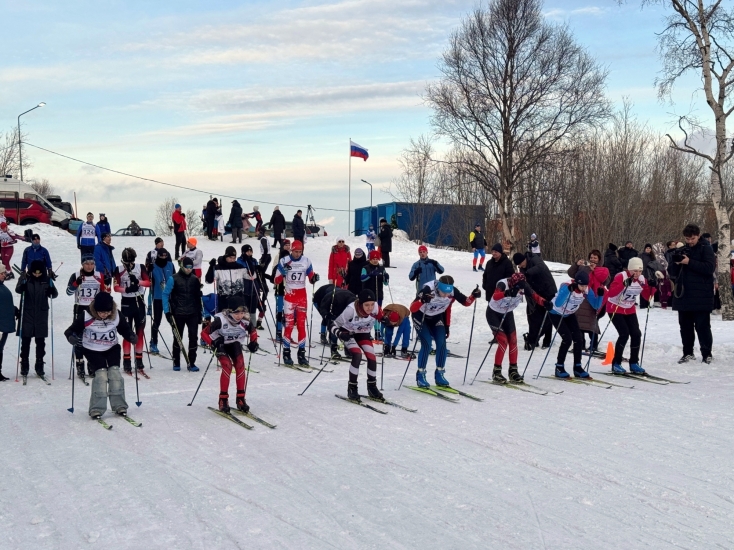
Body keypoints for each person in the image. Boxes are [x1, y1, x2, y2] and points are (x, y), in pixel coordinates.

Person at [64, 291, 137, 420]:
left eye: (107, 312)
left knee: (115, 373)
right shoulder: (86, 315)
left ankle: (119, 405)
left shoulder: (116, 315)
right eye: (101, 312)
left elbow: (124, 329)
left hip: (112, 348)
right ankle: (96, 408)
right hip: (92, 349)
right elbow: (70, 330)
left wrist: (131, 336)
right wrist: (71, 337)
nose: (104, 315)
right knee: (102, 375)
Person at [411, 275, 479, 387]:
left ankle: (439, 374)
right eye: (443, 293)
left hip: (436, 317)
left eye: (448, 293)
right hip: (420, 316)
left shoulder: (452, 291)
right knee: (427, 344)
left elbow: (466, 302)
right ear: (438, 288)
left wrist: (473, 295)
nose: (446, 296)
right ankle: (421, 375)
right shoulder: (428, 289)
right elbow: (412, 308)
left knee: (442, 344)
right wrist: (422, 300)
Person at [667, 224, 716, 364]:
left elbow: (709, 268)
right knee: (685, 327)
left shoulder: (706, 249)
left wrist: (689, 262)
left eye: (692, 238)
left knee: (703, 326)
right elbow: (672, 272)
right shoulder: (683, 249)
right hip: (684, 295)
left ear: (698, 235)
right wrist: (675, 263)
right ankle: (687, 352)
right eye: (687, 238)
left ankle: (707, 353)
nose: (690, 241)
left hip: (701, 295)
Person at [201, 295, 259, 413]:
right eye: (237, 313)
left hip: (234, 344)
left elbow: (253, 331)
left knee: (240, 365)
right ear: (230, 311)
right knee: (227, 366)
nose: (240, 316)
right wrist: (213, 342)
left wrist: (254, 342)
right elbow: (203, 333)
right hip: (221, 345)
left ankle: (241, 399)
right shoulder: (220, 320)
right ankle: (223, 400)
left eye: (242, 313)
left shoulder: (245, 320)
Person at [329, 288, 385, 402]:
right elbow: (332, 325)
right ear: (360, 303)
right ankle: (352, 388)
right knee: (357, 355)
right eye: (366, 305)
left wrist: (387, 320)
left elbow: (383, 318)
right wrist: (340, 334)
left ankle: (372, 387)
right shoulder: (351, 310)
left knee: (372, 357)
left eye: (372, 304)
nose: (370, 308)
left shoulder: (375, 308)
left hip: (363, 334)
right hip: (348, 334)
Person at [606, 257, 658, 375]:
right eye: (635, 270)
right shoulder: (621, 276)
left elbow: (647, 297)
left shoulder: (641, 279)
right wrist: (624, 285)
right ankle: (616, 363)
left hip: (629, 309)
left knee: (636, 334)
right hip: (615, 308)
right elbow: (611, 293)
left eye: (640, 271)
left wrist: (652, 287)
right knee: (624, 334)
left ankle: (634, 363)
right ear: (629, 269)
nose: (637, 273)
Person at [546, 270, 604, 379]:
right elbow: (558, 302)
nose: (583, 288)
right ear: (576, 283)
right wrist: (568, 291)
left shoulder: (587, 289)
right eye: (581, 285)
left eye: (585, 285)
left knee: (578, 339)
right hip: (556, 313)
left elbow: (596, 305)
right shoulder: (567, 286)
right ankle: (559, 367)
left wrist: (600, 295)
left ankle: (578, 367)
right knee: (567, 339)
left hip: (569, 314)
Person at [273, 239, 319, 366]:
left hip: (302, 297)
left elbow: (310, 277)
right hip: (289, 297)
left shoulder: (306, 261)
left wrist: (314, 278)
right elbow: (276, 281)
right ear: (291, 250)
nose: (298, 254)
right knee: (288, 325)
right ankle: (286, 353)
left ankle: (301, 354)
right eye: (296, 251)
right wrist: (282, 272)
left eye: (300, 251)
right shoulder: (284, 261)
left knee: (301, 326)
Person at [486, 272, 534, 383]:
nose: (520, 289)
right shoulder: (503, 284)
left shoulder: (524, 286)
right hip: (494, 313)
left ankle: (513, 371)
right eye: (518, 287)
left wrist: (545, 303)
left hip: (508, 313)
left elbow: (533, 295)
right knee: (503, 341)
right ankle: (496, 372)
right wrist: (506, 293)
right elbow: (495, 296)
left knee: (513, 340)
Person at [16, 260, 58, 380]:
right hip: (27, 312)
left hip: (41, 313)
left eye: (39, 273)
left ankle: (39, 364)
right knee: (26, 340)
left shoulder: (47, 279)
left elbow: (54, 294)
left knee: (40, 341)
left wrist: (52, 291)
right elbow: (18, 290)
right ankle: (24, 363)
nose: (37, 275)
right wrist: (21, 287)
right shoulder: (25, 278)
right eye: (35, 273)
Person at [66, 253, 107, 379]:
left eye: (91, 264)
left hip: (94, 310)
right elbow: (68, 292)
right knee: (79, 339)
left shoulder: (99, 276)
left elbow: (104, 293)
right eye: (86, 264)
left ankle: (92, 364)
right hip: (80, 308)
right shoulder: (76, 275)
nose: (89, 266)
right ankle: (79, 365)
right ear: (82, 264)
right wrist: (75, 284)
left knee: (92, 338)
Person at [113, 247, 150, 375]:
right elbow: (116, 287)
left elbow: (148, 283)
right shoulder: (118, 269)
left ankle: (139, 360)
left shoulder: (140, 267)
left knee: (140, 331)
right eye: (127, 261)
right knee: (128, 333)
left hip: (139, 302)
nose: (129, 264)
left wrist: (138, 282)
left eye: (131, 261)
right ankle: (127, 361)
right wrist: (127, 290)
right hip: (127, 304)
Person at [163, 256, 202, 372]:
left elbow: (197, 298)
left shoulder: (195, 279)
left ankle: (192, 362)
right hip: (178, 313)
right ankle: (176, 361)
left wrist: (200, 313)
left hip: (192, 313)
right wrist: (167, 311)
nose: (189, 269)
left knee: (193, 338)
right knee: (177, 338)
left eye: (191, 267)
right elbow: (165, 294)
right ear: (182, 266)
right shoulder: (173, 279)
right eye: (187, 267)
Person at [566, 250, 610, 353]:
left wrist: (594, 270)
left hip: (594, 297)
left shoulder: (603, 269)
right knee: (579, 323)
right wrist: (576, 265)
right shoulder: (584, 268)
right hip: (582, 298)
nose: (593, 259)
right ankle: (580, 344)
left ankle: (593, 345)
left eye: (595, 258)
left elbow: (605, 280)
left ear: (599, 259)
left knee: (592, 323)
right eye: (591, 257)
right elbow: (572, 274)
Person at [513, 251, 556, 350]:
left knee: (548, 315)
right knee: (535, 316)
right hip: (537, 293)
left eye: (521, 263)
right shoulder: (522, 270)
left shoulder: (534, 258)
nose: (520, 266)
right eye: (518, 265)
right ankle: (534, 339)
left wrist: (528, 273)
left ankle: (547, 340)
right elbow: (526, 285)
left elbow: (541, 267)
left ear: (524, 259)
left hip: (548, 289)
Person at [205, 245, 248, 313]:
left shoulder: (240, 268)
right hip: (224, 300)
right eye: (230, 258)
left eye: (234, 258)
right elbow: (208, 280)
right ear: (226, 256)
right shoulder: (218, 268)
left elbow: (252, 276)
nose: (232, 260)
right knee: (224, 320)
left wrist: (249, 262)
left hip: (238, 299)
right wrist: (211, 267)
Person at [149, 247, 175, 354]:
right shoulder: (154, 266)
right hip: (158, 297)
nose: (164, 257)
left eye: (165, 255)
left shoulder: (170, 265)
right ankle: (153, 342)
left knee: (172, 320)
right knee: (157, 320)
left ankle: (177, 343)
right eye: (161, 256)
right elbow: (148, 281)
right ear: (158, 256)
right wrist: (148, 271)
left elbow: (176, 278)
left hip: (170, 297)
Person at [361, 250, 389, 340]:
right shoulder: (366, 268)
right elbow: (362, 279)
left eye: (377, 259)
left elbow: (385, 283)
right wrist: (370, 275)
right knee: (367, 314)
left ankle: (377, 332)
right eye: (373, 259)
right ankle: (367, 332)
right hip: (368, 295)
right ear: (370, 259)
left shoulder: (381, 268)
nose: (375, 260)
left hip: (378, 294)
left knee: (377, 313)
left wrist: (386, 278)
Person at [271, 239, 290, 341]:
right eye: (286, 245)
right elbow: (274, 271)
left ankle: (286, 332)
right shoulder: (278, 256)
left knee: (287, 312)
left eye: (289, 245)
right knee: (279, 310)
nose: (287, 246)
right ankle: (278, 332)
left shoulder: (292, 257)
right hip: (280, 287)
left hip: (289, 288)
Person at [0, 264, 16, 381]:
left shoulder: (2, 287)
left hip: (4, 324)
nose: (4, 275)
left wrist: (13, 309)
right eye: (2, 273)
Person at [237, 244, 262, 317]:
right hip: (245, 287)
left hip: (254, 287)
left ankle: (253, 325)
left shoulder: (254, 260)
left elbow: (255, 274)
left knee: (253, 308)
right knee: (245, 307)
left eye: (250, 251)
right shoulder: (240, 260)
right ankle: (244, 323)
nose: (249, 253)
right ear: (243, 252)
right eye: (247, 251)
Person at [639, 243, 664, 309]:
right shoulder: (641, 255)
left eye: (649, 248)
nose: (648, 249)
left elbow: (655, 265)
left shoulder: (652, 256)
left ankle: (647, 303)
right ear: (645, 249)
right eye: (647, 248)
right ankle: (643, 304)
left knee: (649, 289)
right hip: (643, 273)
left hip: (651, 274)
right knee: (643, 289)